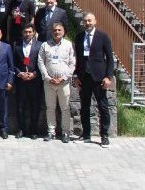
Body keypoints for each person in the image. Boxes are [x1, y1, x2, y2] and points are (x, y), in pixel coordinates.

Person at [74, 12, 114, 148]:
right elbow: (77, 59)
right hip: (84, 77)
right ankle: (86, 134)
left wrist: (108, 76)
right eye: (85, 21)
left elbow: (110, 58)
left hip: (99, 77)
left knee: (103, 107)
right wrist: (76, 76)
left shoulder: (103, 36)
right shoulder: (79, 37)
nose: (87, 23)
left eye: (89, 21)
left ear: (95, 21)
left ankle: (104, 136)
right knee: (84, 107)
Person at [38, 22, 76, 143]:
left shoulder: (69, 45)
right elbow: (40, 62)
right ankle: (51, 132)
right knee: (50, 108)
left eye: (59, 30)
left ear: (64, 31)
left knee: (65, 108)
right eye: (55, 30)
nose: (57, 32)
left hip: (64, 83)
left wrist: (64, 78)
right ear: (51, 31)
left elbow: (72, 63)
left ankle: (65, 133)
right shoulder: (45, 45)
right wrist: (47, 77)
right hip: (49, 82)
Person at [13, 24, 43, 139]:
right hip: (21, 81)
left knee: (34, 106)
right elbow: (13, 63)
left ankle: (34, 130)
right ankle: (21, 129)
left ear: (34, 33)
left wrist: (35, 74)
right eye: (25, 32)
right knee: (20, 106)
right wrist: (19, 73)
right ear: (22, 33)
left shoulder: (40, 45)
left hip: (35, 81)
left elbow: (42, 62)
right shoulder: (16, 45)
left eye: (30, 32)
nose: (27, 34)